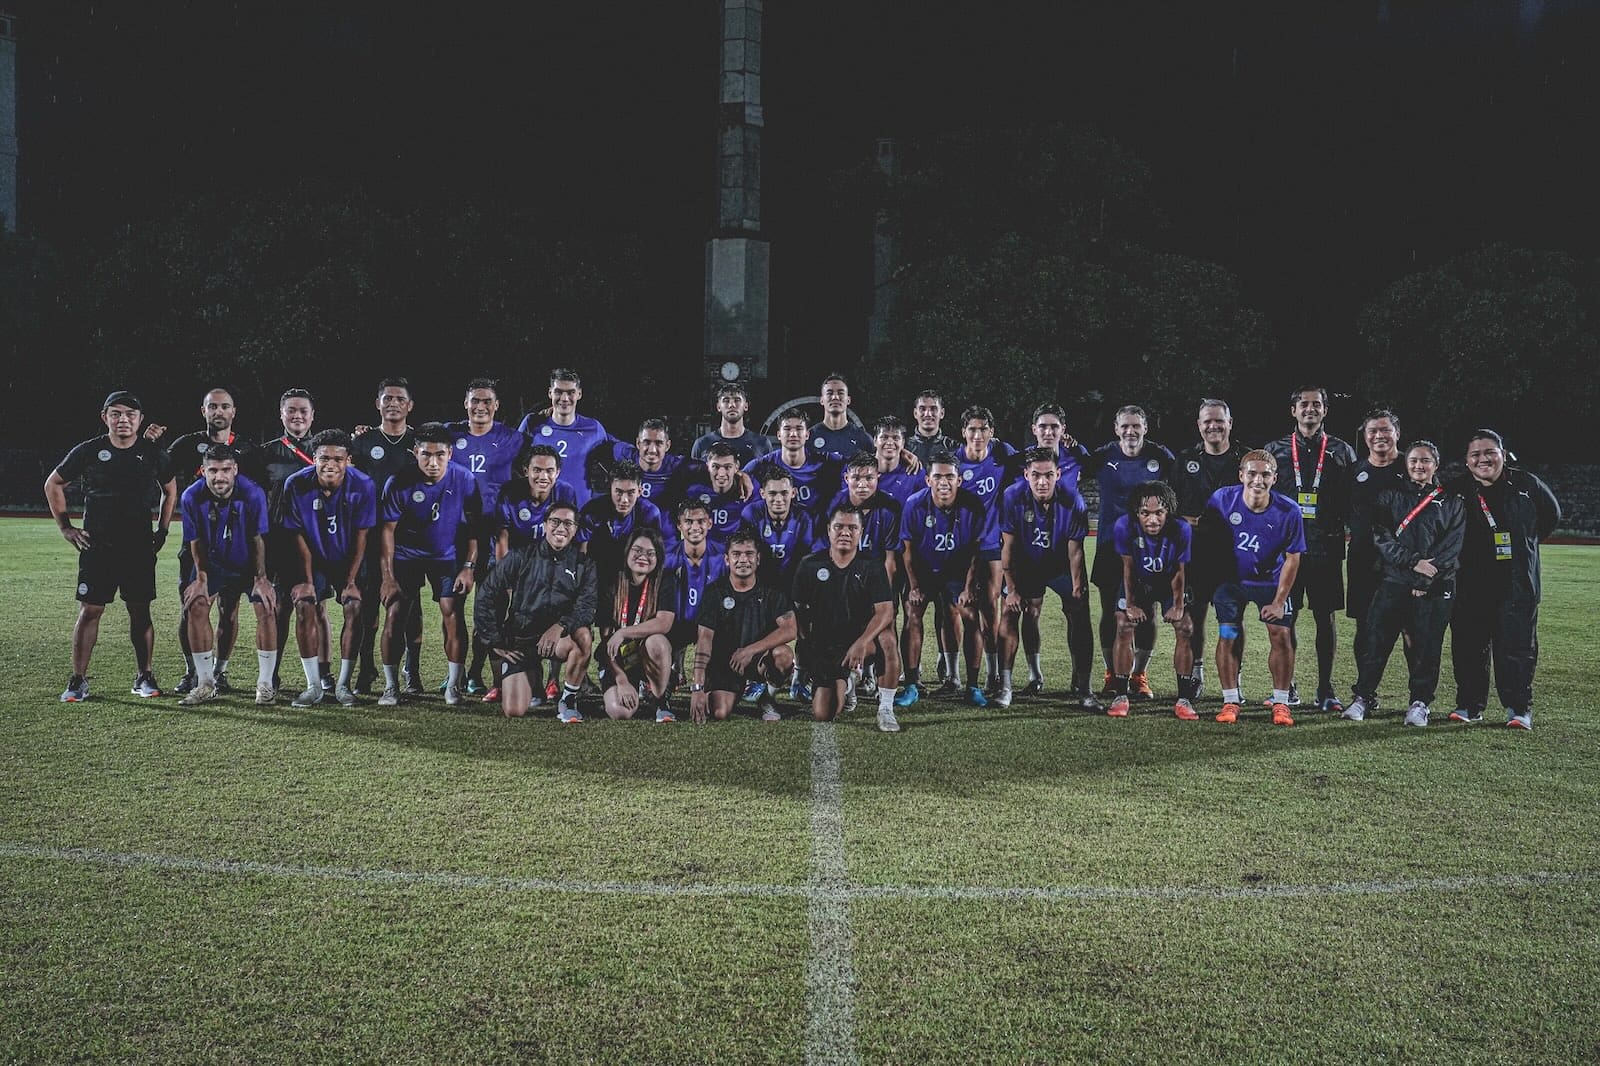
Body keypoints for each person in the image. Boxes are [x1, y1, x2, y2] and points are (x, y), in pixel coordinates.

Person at [46, 391, 178, 701]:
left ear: (140, 420)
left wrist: (162, 527)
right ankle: (78, 680)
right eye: (116, 413)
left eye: (130, 414)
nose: (123, 419)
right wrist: (65, 527)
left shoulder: (153, 453)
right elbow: (53, 484)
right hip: (98, 545)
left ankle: (144, 676)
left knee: (140, 611)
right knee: (90, 609)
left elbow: (170, 490)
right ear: (104, 417)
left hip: (139, 546)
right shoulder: (89, 451)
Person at [147, 387, 264, 695]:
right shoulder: (187, 445)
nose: (218, 412)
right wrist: (148, 446)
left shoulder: (249, 450)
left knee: (230, 610)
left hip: (235, 544)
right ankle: (192, 671)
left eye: (224, 406)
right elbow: (157, 474)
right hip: (197, 540)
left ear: (233, 412)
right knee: (191, 605)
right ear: (204, 411)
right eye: (212, 406)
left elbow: (259, 493)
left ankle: (220, 672)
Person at [1444, 429, 1560, 730]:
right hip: (1470, 583)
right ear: (1467, 461)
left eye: (1489, 452)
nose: (1483, 459)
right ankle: (1470, 705)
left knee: (1517, 647)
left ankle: (1519, 708)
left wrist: (1526, 546)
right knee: (1468, 646)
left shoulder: (1525, 484)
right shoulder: (1456, 488)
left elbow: (1551, 515)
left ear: (1503, 455)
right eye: (1476, 454)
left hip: (1516, 583)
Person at [1344, 442, 1464, 727]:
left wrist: (1424, 579)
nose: (1418, 466)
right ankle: (1362, 697)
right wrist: (1412, 563)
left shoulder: (1451, 502)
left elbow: (1451, 548)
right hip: (1393, 581)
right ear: (1406, 464)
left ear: (1435, 464)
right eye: (1413, 461)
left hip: (1433, 586)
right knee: (1376, 641)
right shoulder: (1390, 496)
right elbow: (1382, 537)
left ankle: (1419, 703)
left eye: (1425, 461)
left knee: (1426, 647)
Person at [1265, 385, 1357, 713]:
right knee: (1285, 617)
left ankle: (1326, 688)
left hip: (1326, 547)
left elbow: (1352, 502)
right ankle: (1286, 686)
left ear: (1325, 410)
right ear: (1293, 411)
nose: (1309, 409)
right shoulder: (1274, 451)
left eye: (1316, 404)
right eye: (1303, 404)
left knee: (1324, 617)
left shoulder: (1342, 451)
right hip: (1285, 551)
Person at [377, 423, 482, 706]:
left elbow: (475, 528)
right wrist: (387, 577)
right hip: (406, 556)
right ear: (415, 453)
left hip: (446, 556)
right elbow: (387, 530)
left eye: (439, 455)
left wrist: (468, 566)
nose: (432, 462)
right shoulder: (398, 481)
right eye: (425, 455)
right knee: (396, 613)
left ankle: (454, 686)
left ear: (450, 453)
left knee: (453, 612)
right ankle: (391, 686)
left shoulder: (465, 479)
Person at [1201, 450, 1306, 727]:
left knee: (1281, 635)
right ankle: (1230, 700)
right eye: (1251, 473)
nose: (1257, 479)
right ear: (1241, 475)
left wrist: (1280, 600)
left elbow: (1293, 557)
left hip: (1269, 583)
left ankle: (1282, 702)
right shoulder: (1221, 500)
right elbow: (1207, 541)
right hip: (1230, 584)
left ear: (1274, 477)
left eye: (1264, 474)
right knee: (1228, 635)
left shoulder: (1288, 511)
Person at [278, 430, 379, 707]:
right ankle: (314, 686)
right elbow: (297, 535)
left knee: (355, 606)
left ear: (348, 460)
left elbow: (361, 537)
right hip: (314, 556)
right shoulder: (295, 484)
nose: (330, 464)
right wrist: (307, 580)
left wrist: (350, 581)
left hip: (349, 558)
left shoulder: (364, 485)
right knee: (304, 603)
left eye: (338, 458)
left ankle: (344, 685)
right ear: (313, 459)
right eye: (324, 458)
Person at [473, 501, 597, 722]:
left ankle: (568, 700)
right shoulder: (521, 556)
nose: (561, 528)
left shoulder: (583, 564)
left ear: (576, 529)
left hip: (557, 640)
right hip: (521, 640)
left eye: (568, 523)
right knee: (514, 710)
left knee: (584, 637)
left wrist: (560, 626)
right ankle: (534, 676)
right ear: (545, 525)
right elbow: (487, 594)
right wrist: (495, 640)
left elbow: (587, 607)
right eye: (555, 522)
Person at [175, 445, 278, 706]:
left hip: (248, 562)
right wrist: (201, 577)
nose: (219, 477)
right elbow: (194, 540)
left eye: (224, 470)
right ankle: (205, 682)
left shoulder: (252, 493)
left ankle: (265, 685)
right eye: (212, 470)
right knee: (197, 606)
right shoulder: (190, 496)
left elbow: (258, 538)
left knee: (266, 607)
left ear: (235, 470)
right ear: (203, 471)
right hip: (214, 563)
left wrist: (261, 578)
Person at [1086, 405, 1176, 699]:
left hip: (1149, 548)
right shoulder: (1102, 456)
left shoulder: (1160, 456)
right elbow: (1071, 468)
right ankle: (1112, 673)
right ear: (1116, 429)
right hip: (1110, 546)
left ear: (1145, 428)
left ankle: (1139, 674)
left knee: (1146, 612)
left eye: (1136, 426)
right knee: (1111, 613)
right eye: (1125, 426)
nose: (1130, 431)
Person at [995, 447, 1092, 709]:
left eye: (1048, 475)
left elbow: (1075, 552)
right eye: (1036, 475)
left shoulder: (1073, 500)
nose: (1042, 481)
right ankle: (1006, 687)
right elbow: (1009, 548)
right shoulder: (1012, 496)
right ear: (1026, 475)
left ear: (1058, 474)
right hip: (1026, 565)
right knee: (1009, 612)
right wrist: (1012, 588)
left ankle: (1084, 688)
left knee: (1080, 613)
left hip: (1059, 565)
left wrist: (1077, 586)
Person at [899, 453, 1000, 706]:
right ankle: (911, 684)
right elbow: (907, 551)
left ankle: (973, 686)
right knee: (912, 613)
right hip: (923, 570)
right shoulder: (914, 503)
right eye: (937, 477)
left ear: (959, 480)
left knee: (969, 614)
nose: (943, 482)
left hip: (957, 571)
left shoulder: (973, 505)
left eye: (949, 477)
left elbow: (976, 552)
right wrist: (914, 586)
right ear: (927, 480)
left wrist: (968, 587)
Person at [791, 504, 901, 730]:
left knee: (888, 639)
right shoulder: (809, 564)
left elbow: (885, 610)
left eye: (852, 528)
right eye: (839, 527)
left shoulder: (872, 565)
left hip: (862, 641)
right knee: (825, 714)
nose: (845, 533)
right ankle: (849, 682)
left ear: (861, 532)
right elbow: (798, 610)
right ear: (828, 530)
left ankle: (886, 708)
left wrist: (861, 643)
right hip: (826, 644)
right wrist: (809, 649)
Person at [1171, 398, 1251, 699]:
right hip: (1194, 556)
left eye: (1219, 420)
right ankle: (1196, 674)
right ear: (1199, 425)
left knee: (1231, 622)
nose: (1213, 426)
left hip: (1234, 558)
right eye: (1207, 421)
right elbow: (1172, 508)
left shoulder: (1246, 460)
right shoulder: (1184, 460)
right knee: (1194, 619)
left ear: (1230, 423)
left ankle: (1235, 680)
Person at [350, 378, 420, 693]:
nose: (393, 403)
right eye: (387, 398)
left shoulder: (419, 444)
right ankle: (367, 667)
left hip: (408, 538)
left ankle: (411, 671)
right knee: (368, 606)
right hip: (369, 535)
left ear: (410, 406)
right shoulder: (362, 443)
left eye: (399, 398)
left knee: (409, 605)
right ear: (377, 403)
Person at [259, 388, 330, 691]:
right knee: (280, 608)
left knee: (318, 607)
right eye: (291, 410)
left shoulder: (326, 450)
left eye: (303, 410)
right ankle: (272, 672)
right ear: (281, 414)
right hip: (279, 541)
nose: (298, 415)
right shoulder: (266, 453)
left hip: (318, 541)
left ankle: (323, 673)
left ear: (313, 415)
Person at [1105, 482, 1195, 719]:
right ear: (1137, 513)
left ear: (1169, 512)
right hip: (1139, 582)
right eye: (1145, 513)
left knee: (1186, 628)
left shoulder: (1181, 528)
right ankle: (1121, 695)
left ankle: (1184, 699)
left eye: (1159, 513)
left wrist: (1177, 605)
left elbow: (1179, 570)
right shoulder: (1124, 526)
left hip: (1168, 583)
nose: (1152, 520)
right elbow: (1128, 567)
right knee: (1123, 625)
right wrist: (1131, 604)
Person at [689, 528, 795, 724]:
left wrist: (749, 651)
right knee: (719, 712)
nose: (743, 560)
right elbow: (704, 639)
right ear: (727, 560)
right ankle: (740, 689)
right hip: (726, 663)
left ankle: (767, 697)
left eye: (749, 554)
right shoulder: (714, 592)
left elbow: (790, 628)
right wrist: (698, 687)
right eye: (736, 554)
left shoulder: (771, 589)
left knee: (784, 656)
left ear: (758, 558)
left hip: (758, 660)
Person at [1345, 408, 1410, 694]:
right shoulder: (1354, 472)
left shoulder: (1412, 467)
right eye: (1373, 431)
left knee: (1411, 630)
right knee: (1366, 629)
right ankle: (1365, 692)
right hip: (1363, 561)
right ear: (1365, 436)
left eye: (1385, 430)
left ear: (1397, 433)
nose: (1379, 436)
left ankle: (1417, 698)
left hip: (1405, 563)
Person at [955, 404, 1016, 693]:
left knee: (990, 608)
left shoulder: (1003, 457)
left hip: (991, 544)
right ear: (963, 432)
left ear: (991, 432)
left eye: (983, 429)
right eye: (972, 429)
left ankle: (993, 673)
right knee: (960, 611)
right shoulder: (953, 462)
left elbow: (1036, 460)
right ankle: (955, 675)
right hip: (958, 547)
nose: (977, 434)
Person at [597, 528, 679, 722]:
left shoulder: (664, 580)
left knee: (657, 642)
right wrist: (621, 680)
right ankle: (635, 685)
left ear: (658, 557)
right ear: (627, 552)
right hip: (619, 660)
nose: (643, 557)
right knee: (620, 712)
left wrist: (624, 632)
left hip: (646, 655)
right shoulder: (612, 582)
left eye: (650, 553)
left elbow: (664, 623)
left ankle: (660, 699)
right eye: (637, 550)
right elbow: (606, 641)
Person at [517, 368, 615, 507]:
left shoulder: (594, 428)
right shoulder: (532, 424)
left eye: (571, 392)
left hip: (579, 512)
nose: (564, 398)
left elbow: (614, 457)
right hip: (539, 513)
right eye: (558, 392)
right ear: (550, 393)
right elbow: (512, 459)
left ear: (579, 394)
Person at [664, 498, 730, 686]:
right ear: (679, 525)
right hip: (676, 624)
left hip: (714, 625)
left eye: (700, 521)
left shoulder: (723, 556)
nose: (695, 527)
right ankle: (668, 669)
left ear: (710, 523)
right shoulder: (667, 557)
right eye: (688, 522)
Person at [579, 459, 677, 582]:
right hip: (597, 574)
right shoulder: (592, 510)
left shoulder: (649, 513)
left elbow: (652, 556)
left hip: (632, 575)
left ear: (640, 492)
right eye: (619, 492)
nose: (624, 500)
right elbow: (582, 554)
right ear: (610, 489)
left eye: (630, 493)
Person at [740, 464, 821, 589]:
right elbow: (749, 554)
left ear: (793, 493)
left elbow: (804, 558)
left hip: (793, 582)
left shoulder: (804, 517)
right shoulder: (751, 514)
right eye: (772, 493)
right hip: (759, 584)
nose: (778, 499)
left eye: (784, 493)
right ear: (762, 493)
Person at [744, 412, 838, 517]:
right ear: (779, 435)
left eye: (799, 429)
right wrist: (742, 475)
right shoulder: (763, 464)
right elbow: (740, 474)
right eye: (787, 429)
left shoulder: (824, 460)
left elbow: (854, 463)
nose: (793, 434)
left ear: (807, 435)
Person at [683, 443, 751, 548]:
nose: (721, 473)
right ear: (707, 466)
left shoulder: (748, 490)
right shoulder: (694, 492)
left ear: (736, 467)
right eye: (715, 467)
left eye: (728, 467)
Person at [619, 417, 695, 513]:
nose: (652, 450)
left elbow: (709, 468)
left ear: (667, 446)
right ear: (638, 443)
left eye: (659, 443)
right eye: (646, 442)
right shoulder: (624, 454)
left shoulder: (678, 466)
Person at [690, 382, 772, 466]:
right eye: (726, 400)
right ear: (718, 406)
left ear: (746, 406)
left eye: (737, 400)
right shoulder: (702, 444)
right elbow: (695, 478)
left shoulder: (762, 443)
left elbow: (769, 477)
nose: (731, 405)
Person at [808, 373, 875, 461]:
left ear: (848, 400)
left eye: (840, 393)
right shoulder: (809, 437)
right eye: (829, 393)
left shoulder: (863, 438)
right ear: (821, 400)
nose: (835, 397)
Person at [905, 389, 959, 468]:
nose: (928, 414)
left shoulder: (954, 447)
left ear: (942, 413)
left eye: (933, 409)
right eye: (922, 409)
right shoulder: (904, 447)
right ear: (915, 413)